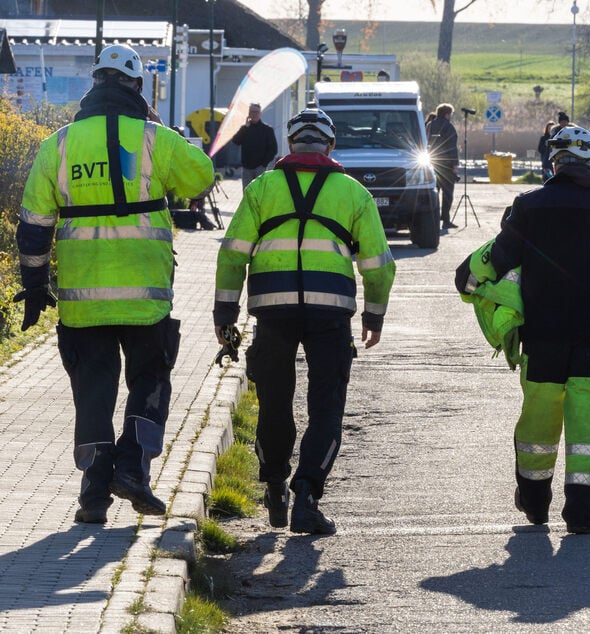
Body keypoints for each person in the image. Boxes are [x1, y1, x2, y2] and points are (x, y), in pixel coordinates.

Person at [14, 43, 215, 523]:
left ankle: (93, 497)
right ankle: (133, 465)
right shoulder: (154, 139)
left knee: (93, 393)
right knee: (150, 379)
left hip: (82, 299)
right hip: (145, 295)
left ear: (93, 84)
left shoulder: (58, 145)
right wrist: (159, 129)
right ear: (137, 87)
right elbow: (202, 178)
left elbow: (33, 225)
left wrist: (36, 285)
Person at [455, 126, 590, 534]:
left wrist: (467, 279)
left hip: (543, 338)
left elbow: (498, 256)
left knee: (539, 421)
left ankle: (533, 502)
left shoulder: (530, 206)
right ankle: (583, 513)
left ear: (554, 162)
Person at [214, 106, 396, 535]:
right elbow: (379, 264)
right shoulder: (353, 193)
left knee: (275, 401)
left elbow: (232, 252)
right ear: (330, 146)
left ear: (291, 144)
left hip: (271, 310)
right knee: (326, 407)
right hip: (330, 312)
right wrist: (374, 314)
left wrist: (225, 312)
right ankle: (307, 498)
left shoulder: (262, 188)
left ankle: (274, 484)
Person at [426, 103, 460, 230]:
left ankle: (432, 220)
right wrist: (454, 165)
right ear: (447, 114)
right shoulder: (448, 127)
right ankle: (445, 220)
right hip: (446, 166)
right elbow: (452, 147)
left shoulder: (429, 125)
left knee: (434, 193)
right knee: (447, 194)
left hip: (431, 163)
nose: (451, 116)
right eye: (450, 114)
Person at [232, 102, 278, 189]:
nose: (254, 114)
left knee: (260, 194)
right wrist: (245, 127)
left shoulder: (267, 130)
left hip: (260, 168)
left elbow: (273, 149)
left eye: (256, 112)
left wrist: (264, 164)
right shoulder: (245, 129)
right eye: (252, 112)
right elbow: (236, 141)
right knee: (247, 194)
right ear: (248, 114)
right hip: (247, 168)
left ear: (260, 114)